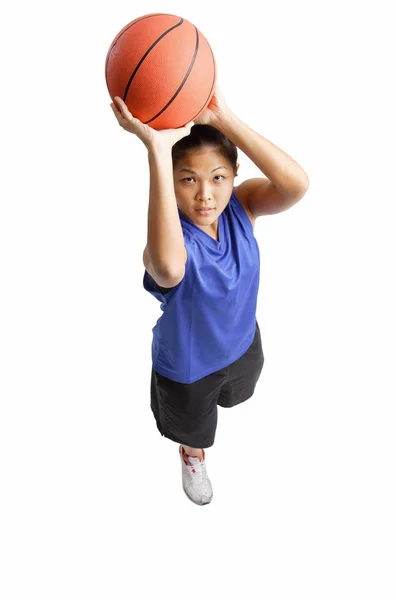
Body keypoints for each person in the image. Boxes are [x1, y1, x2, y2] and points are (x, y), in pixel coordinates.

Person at [110, 86, 309, 505]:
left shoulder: (242, 206)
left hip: (241, 343)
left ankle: (219, 406)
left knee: (238, 395)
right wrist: (156, 151)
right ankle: (192, 452)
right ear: (170, 179)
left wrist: (224, 119)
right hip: (187, 366)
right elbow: (166, 269)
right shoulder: (170, 240)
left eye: (218, 178)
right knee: (194, 428)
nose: (205, 194)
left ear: (234, 176)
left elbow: (296, 184)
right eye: (187, 179)